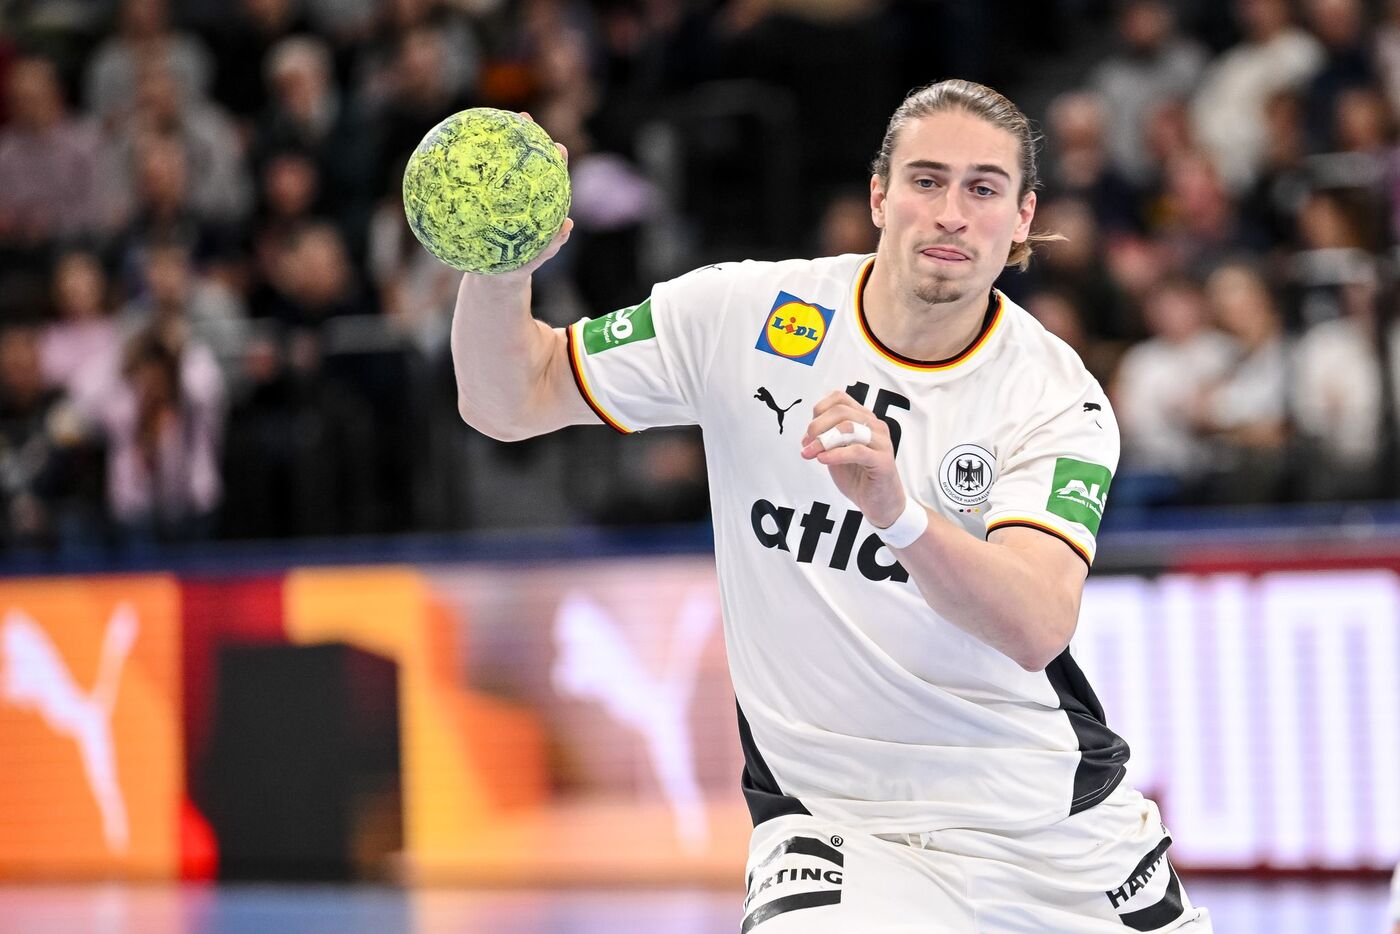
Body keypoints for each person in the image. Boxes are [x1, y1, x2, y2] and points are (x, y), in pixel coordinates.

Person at [452, 79, 1211, 932]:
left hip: (1047, 832)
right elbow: (509, 400)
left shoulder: (1053, 395)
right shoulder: (741, 314)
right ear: (879, 197)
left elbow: (1037, 622)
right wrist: (500, 268)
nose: (951, 214)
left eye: (983, 189)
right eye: (926, 181)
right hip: (837, 831)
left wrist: (898, 512)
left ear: (1022, 218)